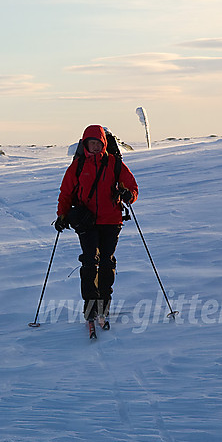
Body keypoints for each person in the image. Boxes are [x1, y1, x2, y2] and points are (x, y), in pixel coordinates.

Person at [55, 125, 138, 338]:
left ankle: (104, 305)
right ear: (85, 144)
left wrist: (127, 195)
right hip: (87, 222)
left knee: (107, 261)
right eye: (90, 143)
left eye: (97, 143)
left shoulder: (115, 164)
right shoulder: (78, 166)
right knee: (90, 261)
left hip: (112, 221)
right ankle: (91, 307)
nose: (94, 146)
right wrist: (62, 215)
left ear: (103, 144)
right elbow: (65, 193)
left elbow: (132, 188)